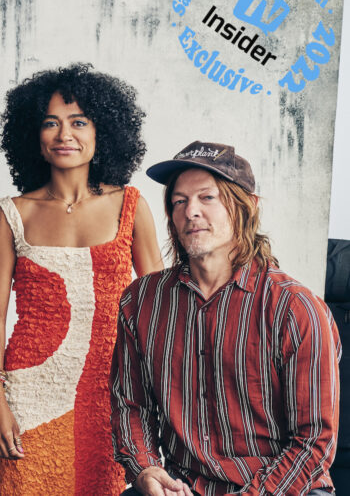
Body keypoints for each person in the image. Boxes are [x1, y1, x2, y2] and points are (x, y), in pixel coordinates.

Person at [111, 141, 340, 496]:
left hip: (285, 488)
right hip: (184, 486)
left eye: (207, 198)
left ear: (248, 206)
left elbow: (314, 442)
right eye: (179, 201)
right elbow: (131, 406)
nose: (191, 212)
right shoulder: (142, 302)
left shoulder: (295, 308)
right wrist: (145, 470)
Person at [0, 64, 162, 495]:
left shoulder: (131, 205)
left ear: (102, 134)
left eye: (79, 121)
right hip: (29, 393)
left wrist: (154, 396)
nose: (65, 134)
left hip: (112, 392)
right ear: (34, 138)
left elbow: (159, 305)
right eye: (50, 123)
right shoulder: (12, 212)